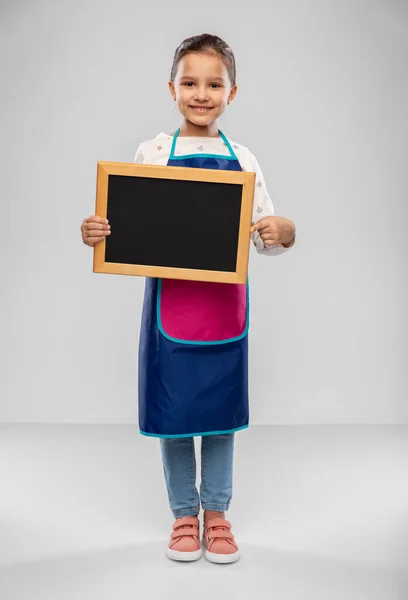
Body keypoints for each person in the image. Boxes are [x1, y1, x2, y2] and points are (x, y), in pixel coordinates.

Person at [81, 33, 296, 564]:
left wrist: (282, 231)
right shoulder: (152, 154)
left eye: (214, 84)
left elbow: (264, 235)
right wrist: (98, 232)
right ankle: (183, 514)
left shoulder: (242, 159)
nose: (202, 93)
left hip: (225, 310)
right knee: (174, 416)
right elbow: (126, 229)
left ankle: (217, 514)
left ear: (233, 92)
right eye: (190, 82)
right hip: (168, 311)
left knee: (220, 413)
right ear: (172, 89)